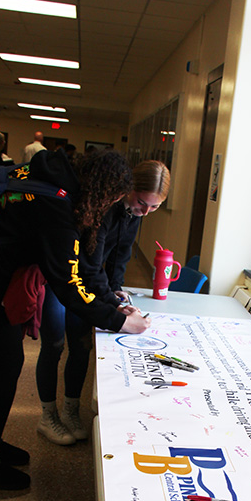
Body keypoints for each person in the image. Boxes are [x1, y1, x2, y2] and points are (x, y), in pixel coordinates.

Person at [0, 148, 150, 490]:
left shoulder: (54, 176)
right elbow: (68, 283)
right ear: (101, 190)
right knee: (6, 361)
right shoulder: (59, 207)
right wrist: (118, 321)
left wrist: (109, 302)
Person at [35, 160, 170, 444]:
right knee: (55, 342)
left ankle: (71, 410)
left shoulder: (134, 213)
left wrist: (116, 292)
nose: (145, 211)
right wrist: (112, 305)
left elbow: (119, 256)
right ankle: (48, 415)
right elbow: (91, 261)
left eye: (154, 207)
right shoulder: (106, 204)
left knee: (81, 343)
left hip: (88, 281)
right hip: (61, 278)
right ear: (128, 188)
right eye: (142, 202)